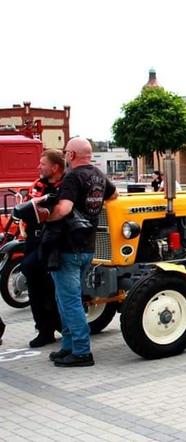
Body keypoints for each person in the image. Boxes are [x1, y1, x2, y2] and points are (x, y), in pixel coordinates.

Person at [43, 137, 118, 367]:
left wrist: (47, 217)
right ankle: (68, 347)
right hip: (88, 247)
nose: (65, 156)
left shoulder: (73, 177)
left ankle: (82, 351)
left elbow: (64, 208)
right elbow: (113, 196)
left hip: (68, 247)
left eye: (66, 152)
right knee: (65, 299)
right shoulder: (98, 175)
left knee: (70, 301)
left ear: (72, 155)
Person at [22, 149, 66, 347]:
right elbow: (29, 208)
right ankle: (45, 328)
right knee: (34, 284)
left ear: (55, 167)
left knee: (44, 280)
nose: (38, 167)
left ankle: (56, 323)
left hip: (55, 242)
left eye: (43, 164)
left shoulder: (66, 184)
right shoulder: (38, 184)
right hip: (34, 240)